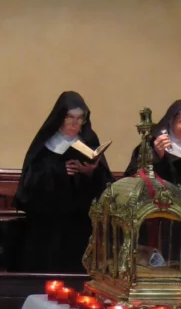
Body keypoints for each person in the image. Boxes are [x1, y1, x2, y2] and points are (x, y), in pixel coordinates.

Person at [15, 91, 113, 273]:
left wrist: (91, 173)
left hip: (80, 222)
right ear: (60, 118)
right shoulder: (45, 144)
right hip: (49, 222)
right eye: (69, 118)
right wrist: (58, 171)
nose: (75, 124)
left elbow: (106, 184)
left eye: (79, 118)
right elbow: (30, 182)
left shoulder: (89, 142)